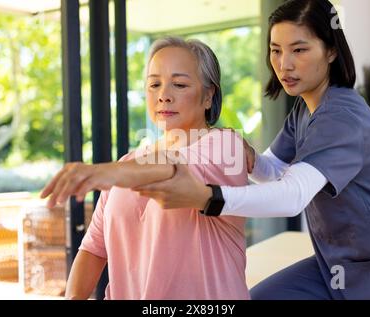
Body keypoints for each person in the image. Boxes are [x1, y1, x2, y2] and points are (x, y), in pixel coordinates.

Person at [133, 0, 370, 300]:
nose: (284, 64)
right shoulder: (304, 111)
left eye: (299, 49)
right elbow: (274, 171)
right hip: (334, 264)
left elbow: (292, 196)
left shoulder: (342, 117)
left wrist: (207, 197)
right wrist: (249, 158)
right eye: (276, 50)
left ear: (331, 51)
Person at [41, 36, 251, 299]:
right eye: (154, 84)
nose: (164, 95)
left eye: (179, 84)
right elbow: (94, 249)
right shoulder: (127, 164)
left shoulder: (226, 146)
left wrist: (100, 172)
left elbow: (173, 168)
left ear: (208, 95)